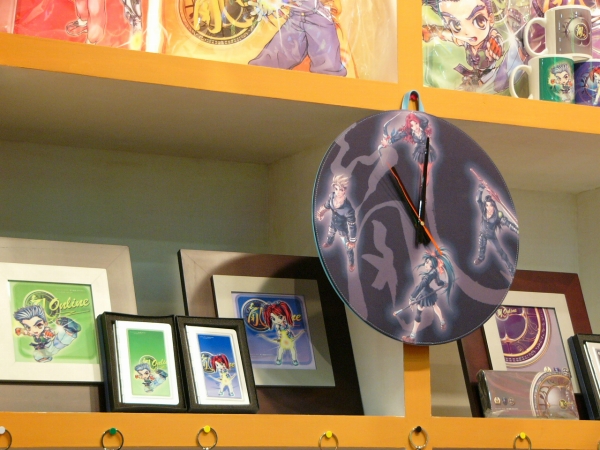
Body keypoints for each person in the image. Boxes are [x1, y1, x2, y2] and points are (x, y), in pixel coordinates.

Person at [422, 0, 510, 91]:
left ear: (490, 18)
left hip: (490, 74)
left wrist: (495, 44)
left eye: (479, 20)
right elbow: (449, 35)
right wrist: (433, 31)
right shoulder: (464, 39)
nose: (468, 32)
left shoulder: (490, 38)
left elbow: (495, 37)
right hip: (476, 74)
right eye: (455, 25)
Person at [248, 0, 347, 76]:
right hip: (297, 13)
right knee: (278, 51)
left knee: (327, 61)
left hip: (316, 14)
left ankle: (330, 81)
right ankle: (259, 71)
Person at [401, 250, 455, 344]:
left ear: (432, 265)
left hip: (425, 293)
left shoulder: (429, 275)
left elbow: (421, 286)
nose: (426, 264)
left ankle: (412, 337)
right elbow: (438, 282)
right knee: (434, 306)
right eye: (426, 262)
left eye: (428, 263)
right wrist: (443, 283)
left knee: (419, 312)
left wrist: (412, 297)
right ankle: (442, 322)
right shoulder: (434, 272)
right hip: (427, 292)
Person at [474, 183, 519, 275]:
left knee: (501, 253)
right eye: (487, 205)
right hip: (482, 233)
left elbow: (507, 223)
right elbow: (478, 200)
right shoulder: (484, 210)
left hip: (491, 236)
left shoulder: (498, 215)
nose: (489, 208)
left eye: (491, 205)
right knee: (481, 247)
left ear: (494, 205)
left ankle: (510, 269)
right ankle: (481, 258)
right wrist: (481, 188)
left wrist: (516, 229)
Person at [316, 174, 357, 271]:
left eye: (341, 189)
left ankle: (351, 263)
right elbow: (327, 205)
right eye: (336, 189)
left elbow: (352, 225)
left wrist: (352, 241)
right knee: (330, 234)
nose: (338, 192)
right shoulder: (332, 196)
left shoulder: (348, 208)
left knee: (348, 248)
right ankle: (329, 242)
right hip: (332, 223)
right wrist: (321, 212)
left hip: (342, 229)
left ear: (345, 190)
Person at [13, 305, 81, 363]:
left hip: (49, 344)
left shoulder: (46, 331)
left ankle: (70, 329)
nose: (34, 330)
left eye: (38, 325)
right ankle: (70, 331)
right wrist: (21, 331)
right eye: (28, 327)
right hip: (45, 346)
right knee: (56, 345)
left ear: (45, 323)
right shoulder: (31, 332)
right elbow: (27, 332)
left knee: (59, 343)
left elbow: (51, 332)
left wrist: (49, 333)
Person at [260, 301, 305, 366]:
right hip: (283, 338)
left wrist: (289, 331)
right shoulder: (278, 326)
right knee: (281, 350)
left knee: (292, 350)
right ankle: (279, 359)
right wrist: (280, 332)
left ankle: (294, 360)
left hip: (289, 337)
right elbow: (279, 330)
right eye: (273, 318)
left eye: (280, 317)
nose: (278, 320)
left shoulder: (285, 323)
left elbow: (288, 329)